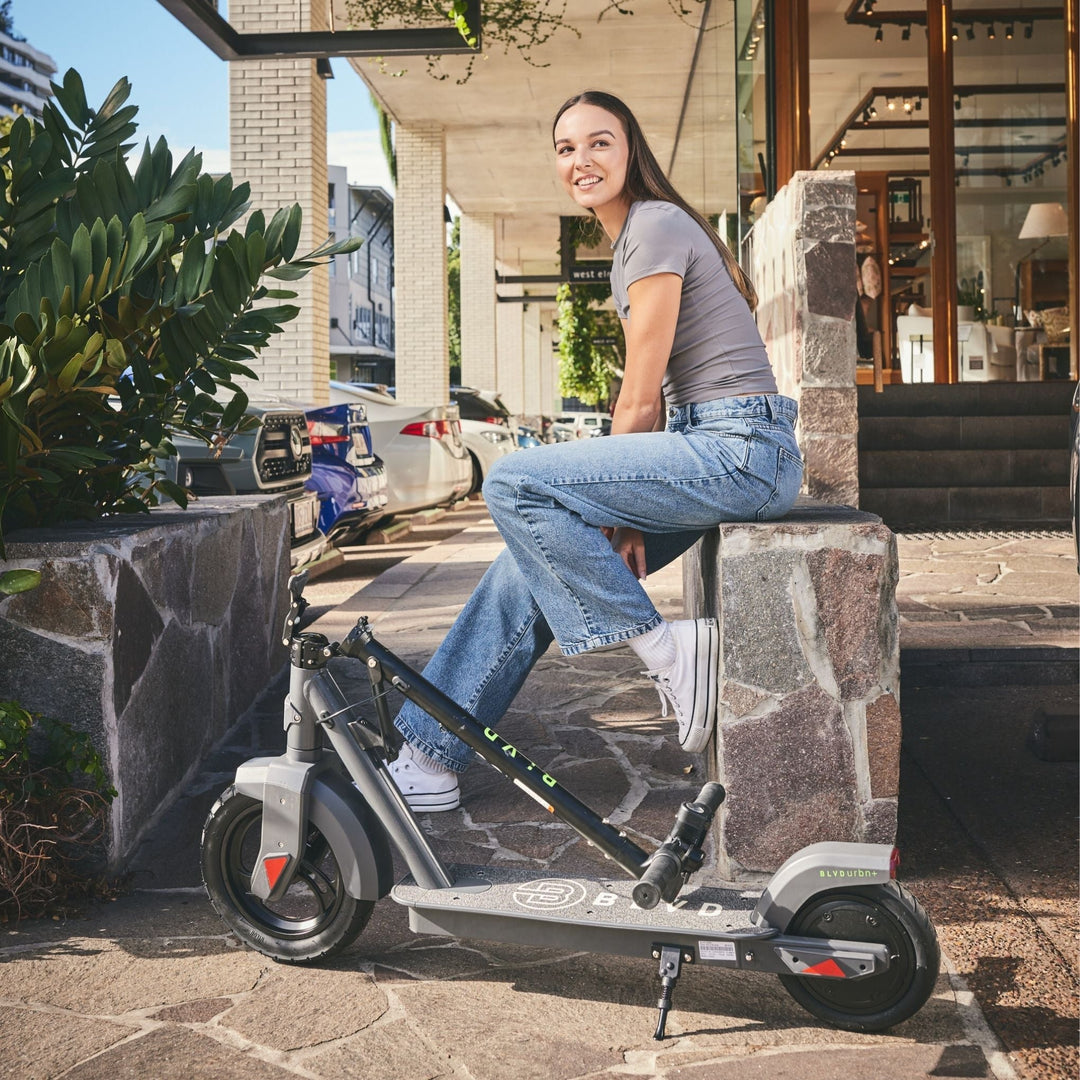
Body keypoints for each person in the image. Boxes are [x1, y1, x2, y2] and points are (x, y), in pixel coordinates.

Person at [389, 90, 803, 811]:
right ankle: (429, 755)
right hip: (714, 447)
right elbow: (656, 406)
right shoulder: (636, 241)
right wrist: (623, 513)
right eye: (566, 148)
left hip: (741, 448)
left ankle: (666, 653)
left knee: (515, 484)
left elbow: (641, 396)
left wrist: (609, 501)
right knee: (529, 562)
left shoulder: (655, 225)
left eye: (599, 143)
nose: (581, 160)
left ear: (631, 149)